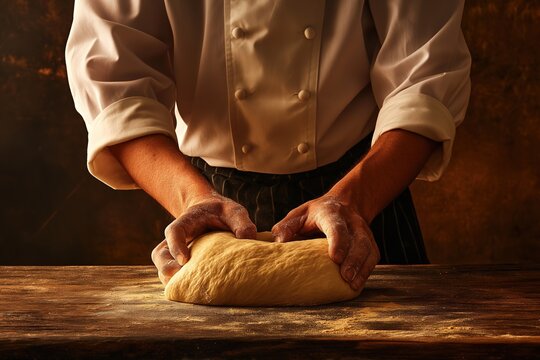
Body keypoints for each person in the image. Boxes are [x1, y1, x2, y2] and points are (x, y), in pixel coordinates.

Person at [66, 1, 471, 290]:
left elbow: (425, 77)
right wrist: (191, 198)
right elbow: (117, 84)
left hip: (364, 197)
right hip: (205, 203)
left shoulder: (360, 201)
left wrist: (354, 202)